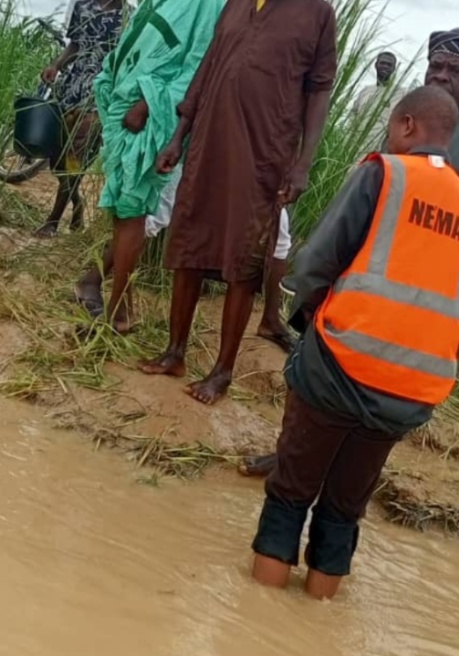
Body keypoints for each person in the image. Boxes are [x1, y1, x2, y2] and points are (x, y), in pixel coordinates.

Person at [238, 26, 459, 477]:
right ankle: (290, 461)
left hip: (424, 302)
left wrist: (447, 234)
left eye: (457, 70)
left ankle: (337, 480)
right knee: (313, 366)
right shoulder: (409, 119)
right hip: (362, 275)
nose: (443, 76)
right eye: (436, 66)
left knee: (386, 398)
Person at [249, 86, 459, 599]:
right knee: (344, 507)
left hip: (342, 362)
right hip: (413, 387)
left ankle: (261, 608)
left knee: (291, 491)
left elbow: (317, 261)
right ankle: (316, 611)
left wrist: (308, 318)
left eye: (390, 126)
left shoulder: (385, 173)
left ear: (407, 125)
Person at [139, 0, 338, 404]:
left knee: (244, 262)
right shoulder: (236, 4)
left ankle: (222, 372)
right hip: (208, 143)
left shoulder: (317, 12)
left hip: (264, 154)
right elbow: (207, 68)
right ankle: (175, 352)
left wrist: (303, 162)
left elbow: (319, 89)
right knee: (189, 243)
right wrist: (179, 136)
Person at [71, 0, 225, 333]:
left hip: (151, 114)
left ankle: (119, 314)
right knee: (125, 208)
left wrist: (146, 104)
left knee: (134, 211)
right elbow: (138, 33)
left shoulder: (211, 5)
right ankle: (116, 302)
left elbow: (199, 61)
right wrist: (111, 78)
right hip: (124, 101)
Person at [77, 168, 299, 350]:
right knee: (152, 214)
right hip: (199, 146)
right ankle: (104, 293)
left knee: (277, 228)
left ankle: (271, 319)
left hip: (239, 153)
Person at [35, 0, 125, 238]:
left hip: (100, 98)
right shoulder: (83, 6)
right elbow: (75, 45)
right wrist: (55, 65)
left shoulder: (130, 17)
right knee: (56, 160)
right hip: (71, 89)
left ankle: (52, 222)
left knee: (75, 157)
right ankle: (77, 203)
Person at [351, 51, 398, 151]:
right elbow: (353, 117)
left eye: (389, 65)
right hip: (355, 148)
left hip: (381, 151)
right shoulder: (365, 91)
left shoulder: (399, 94)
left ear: (394, 68)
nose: (385, 66)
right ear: (376, 65)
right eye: (382, 63)